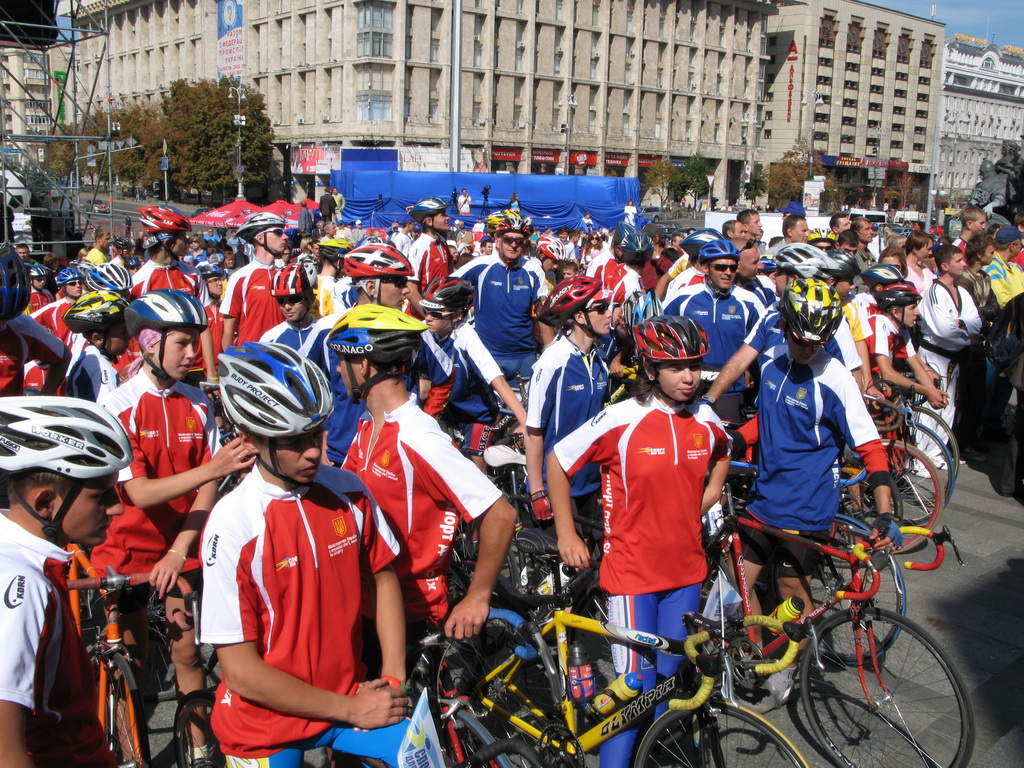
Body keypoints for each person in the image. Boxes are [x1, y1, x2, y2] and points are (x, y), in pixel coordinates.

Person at [205, 342, 408, 766]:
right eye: (295, 441)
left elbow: (383, 575)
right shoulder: (232, 524)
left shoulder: (349, 491)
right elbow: (240, 672)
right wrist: (351, 709)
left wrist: (392, 677)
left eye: (316, 433)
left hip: (351, 698)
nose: (314, 450)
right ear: (250, 438)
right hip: (266, 725)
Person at [550, 316, 731, 768]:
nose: (689, 377)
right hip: (632, 578)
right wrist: (566, 532)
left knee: (671, 687)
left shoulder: (705, 417)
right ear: (650, 368)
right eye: (676, 367)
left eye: (695, 365)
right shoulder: (621, 418)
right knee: (634, 692)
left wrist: (706, 497)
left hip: (686, 575)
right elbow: (557, 461)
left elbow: (724, 450)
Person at [737, 279, 894, 712]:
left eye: (818, 342)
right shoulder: (772, 364)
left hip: (806, 506)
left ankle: (787, 670)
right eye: (801, 340)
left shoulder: (835, 377)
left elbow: (870, 447)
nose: (809, 349)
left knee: (791, 590)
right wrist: (732, 439)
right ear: (785, 327)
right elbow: (766, 420)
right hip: (764, 497)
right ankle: (756, 653)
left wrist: (884, 511)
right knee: (739, 582)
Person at [92, 290, 254, 710]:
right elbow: (139, 493)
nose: (193, 354)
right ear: (150, 344)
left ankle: (197, 743)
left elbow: (208, 488)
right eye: (182, 343)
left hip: (182, 547)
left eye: (195, 342)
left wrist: (179, 551)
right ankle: (129, 739)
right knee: (135, 659)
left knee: (187, 655)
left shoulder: (197, 401)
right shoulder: (118, 404)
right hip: (128, 551)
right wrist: (213, 468)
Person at [329, 306, 516, 644]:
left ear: (363, 365)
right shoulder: (369, 424)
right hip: (366, 599)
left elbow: (500, 514)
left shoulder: (418, 437)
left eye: (342, 361)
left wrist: (477, 596)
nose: (339, 370)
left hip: (407, 613)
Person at [0, 395, 134, 768]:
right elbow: (6, 753)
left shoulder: (28, 560)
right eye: (101, 496)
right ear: (45, 503)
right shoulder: (22, 583)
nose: (117, 507)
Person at [414, 277, 528, 469]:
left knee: (476, 465)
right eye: (425, 311)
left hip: (477, 415)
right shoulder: (425, 331)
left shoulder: (466, 335)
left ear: (456, 315)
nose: (428, 318)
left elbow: (496, 378)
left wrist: (524, 422)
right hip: (446, 411)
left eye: (436, 313)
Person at [526, 276, 611, 522]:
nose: (609, 314)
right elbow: (533, 431)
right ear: (580, 317)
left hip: (590, 481)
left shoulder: (600, 360)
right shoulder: (552, 362)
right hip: (556, 482)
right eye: (601, 308)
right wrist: (537, 490)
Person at [664, 239, 763, 422]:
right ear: (705, 268)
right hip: (690, 388)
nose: (728, 272)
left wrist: (750, 370)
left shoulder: (750, 301)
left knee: (727, 440)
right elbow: (663, 338)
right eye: (720, 267)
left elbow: (761, 343)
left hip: (730, 391)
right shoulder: (682, 297)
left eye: (732, 267)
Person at [454, 210, 552, 381]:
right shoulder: (481, 265)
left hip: (524, 355)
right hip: (487, 355)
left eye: (519, 241)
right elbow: (444, 287)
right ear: (497, 239)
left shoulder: (533, 268)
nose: (513, 245)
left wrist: (550, 352)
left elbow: (543, 313)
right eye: (508, 239)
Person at [916, 245, 981, 469]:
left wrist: (960, 324)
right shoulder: (935, 292)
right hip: (934, 356)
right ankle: (919, 459)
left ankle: (935, 452)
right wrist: (965, 333)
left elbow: (977, 322)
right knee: (932, 404)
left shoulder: (962, 291)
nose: (964, 263)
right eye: (959, 260)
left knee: (949, 406)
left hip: (954, 357)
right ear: (944, 265)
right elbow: (944, 330)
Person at [1, 252, 70, 396]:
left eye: (4, 320)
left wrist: (46, 396)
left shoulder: (22, 326)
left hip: (9, 409)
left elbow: (63, 355)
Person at [221, 212, 290, 349]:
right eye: (278, 232)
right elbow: (228, 327)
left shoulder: (285, 274)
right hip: (251, 355)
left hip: (282, 353)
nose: (285, 236)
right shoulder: (240, 276)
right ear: (260, 238)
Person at [64, 291, 130, 402]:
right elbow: (108, 409)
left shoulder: (89, 358)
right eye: (122, 332)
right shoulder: (102, 368)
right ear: (98, 338)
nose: (129, 336)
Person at [405, 196, 454, 317]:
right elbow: (410, 289)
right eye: (442, 215)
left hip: (440, 314)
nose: (447, 217)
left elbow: (449, 275)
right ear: (428, 221)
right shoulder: (419, 247)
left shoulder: (442, 242)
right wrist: (428, 316)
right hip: (421, 318)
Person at [260, 262, 320, 353]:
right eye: (281, 300)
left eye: (294, 299)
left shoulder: (325, 332)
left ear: (311, 299)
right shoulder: (270, 339)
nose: (287, 307)